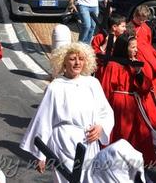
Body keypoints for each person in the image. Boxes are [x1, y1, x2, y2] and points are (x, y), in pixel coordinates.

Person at [20, 42, 114, 183]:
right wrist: (41, 154)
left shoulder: (92, 83)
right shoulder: (55, 87)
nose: (77, 63)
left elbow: (105, 111)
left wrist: (100, 127)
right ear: (63, 62)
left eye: (81, 59)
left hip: (89, 142)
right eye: (72, 59)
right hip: (63, 142)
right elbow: (44, 120)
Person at [100, 34, 156, 166]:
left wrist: (138, 73)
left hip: (134, 105)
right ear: (124, 48)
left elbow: (145, 88)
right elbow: (105, 88)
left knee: (139, 134)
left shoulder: (136, 63)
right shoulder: (113, 65)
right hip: (118, 105)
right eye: (133, 47)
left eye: (136, 47)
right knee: (121, 134)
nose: (136, 50)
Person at [91, 13, 127, 81]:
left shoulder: (122, 38)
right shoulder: (100, 37)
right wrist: (105, 44)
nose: (125, 29)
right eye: (123, 26)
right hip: (103, 71)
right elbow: (93, 55)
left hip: (117, 71)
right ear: (114, 27)